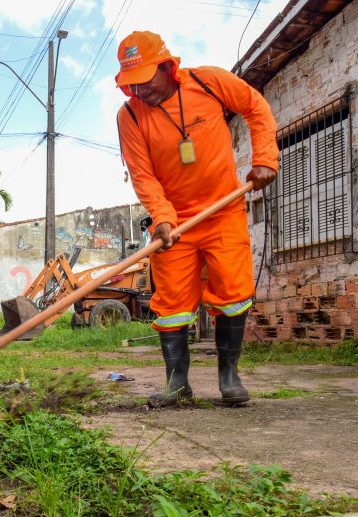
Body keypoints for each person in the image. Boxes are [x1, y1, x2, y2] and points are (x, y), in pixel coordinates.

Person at [115, 31, 278, 407]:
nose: (139, 91)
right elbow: (142, 174)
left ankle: (229, 376)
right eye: (131, 84)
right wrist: (163, 217)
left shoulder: (209, 81)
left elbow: (256, 107)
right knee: (171, 304)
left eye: (144, 80)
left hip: (223, 209)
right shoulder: (129, 117)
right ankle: (177, 383)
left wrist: (265, 159)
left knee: (233, 293)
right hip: (172, 223)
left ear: (168, 66)